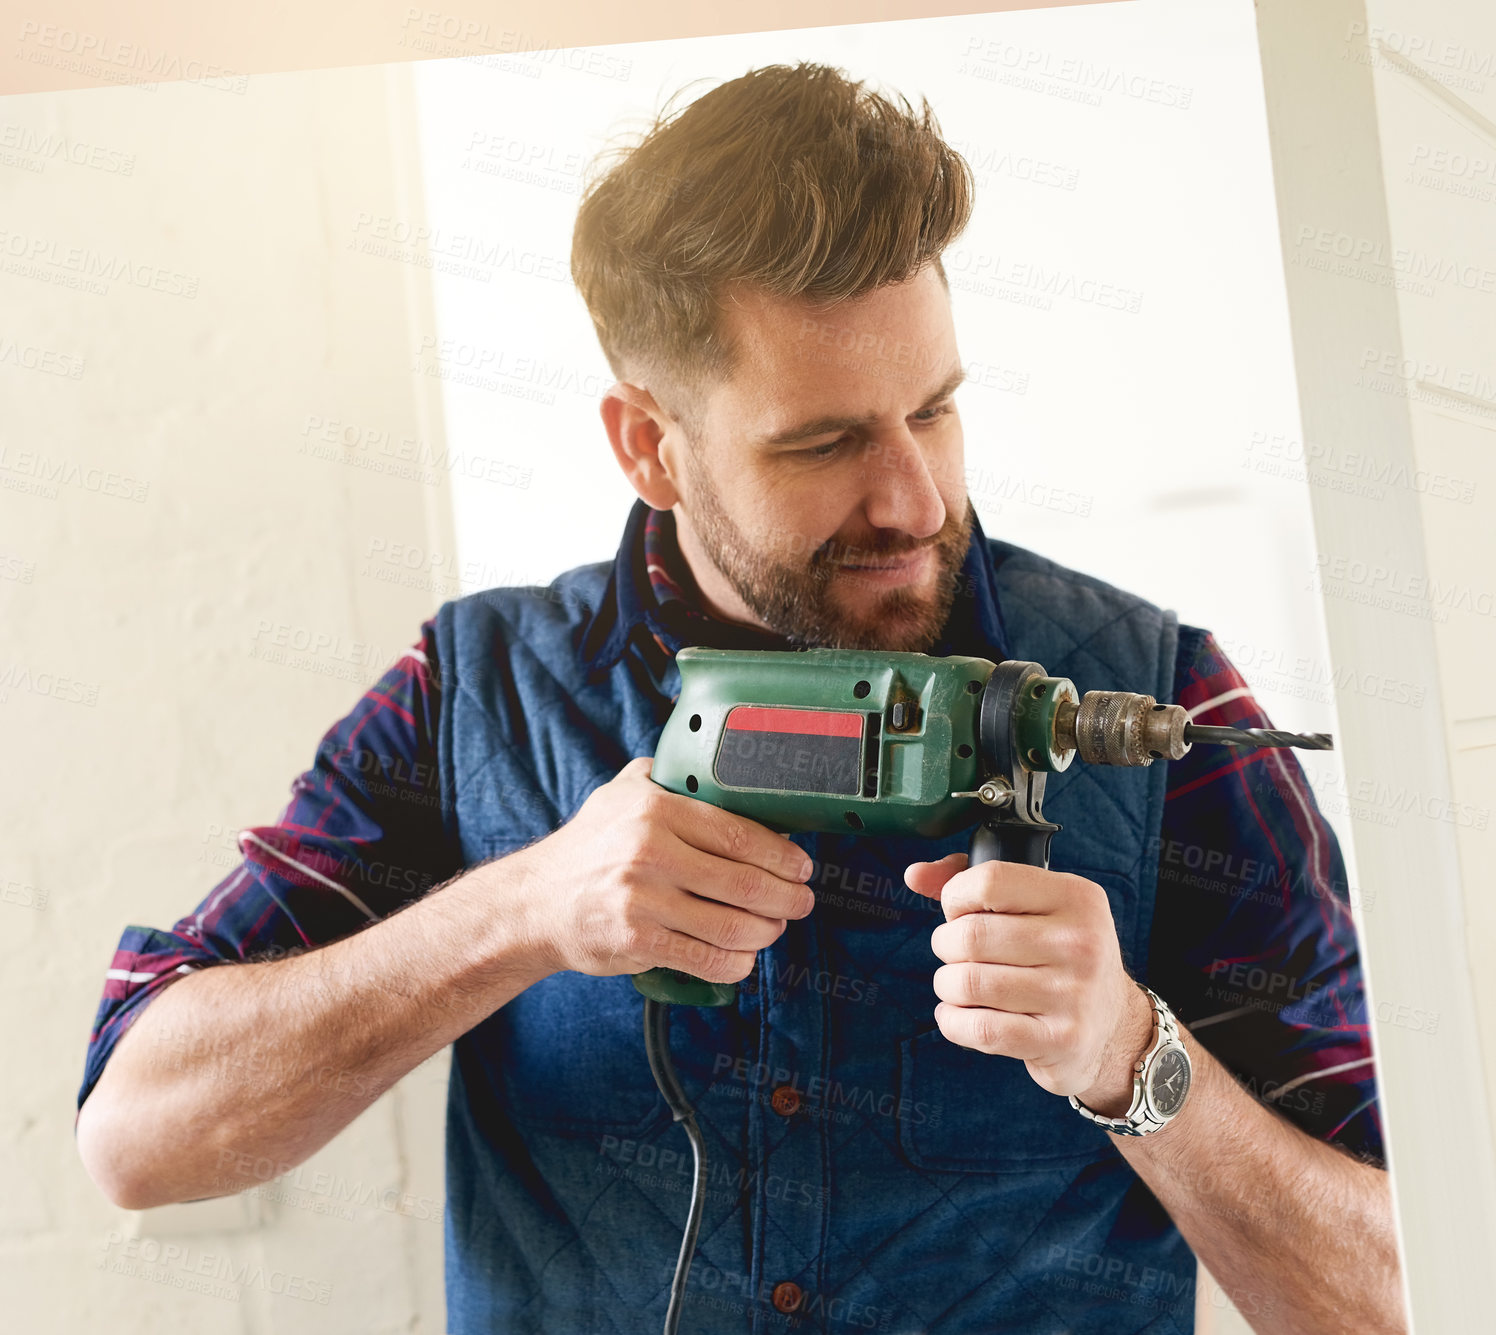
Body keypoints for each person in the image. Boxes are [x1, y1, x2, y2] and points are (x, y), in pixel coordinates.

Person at [75, 63, 1402, 1334]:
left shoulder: (1156, 699)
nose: (915, 500)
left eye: (934, 411)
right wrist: (520, 913)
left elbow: (1406, 1293)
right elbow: (138, 1133)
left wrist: (1134, 1059)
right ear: (648, 443)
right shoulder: (474, 696)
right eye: (821, 443)